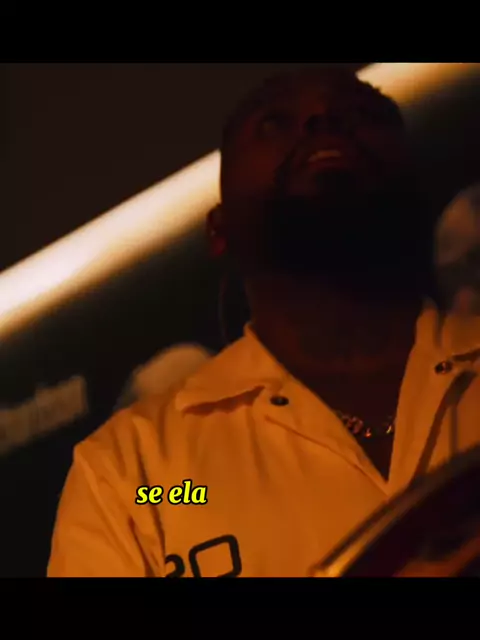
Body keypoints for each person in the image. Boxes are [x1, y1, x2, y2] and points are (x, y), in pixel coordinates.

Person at [48, 66, 480, 577]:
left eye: (359, 116)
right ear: (219, 229)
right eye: (275, 124)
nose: (322, 122)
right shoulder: (135, 476)